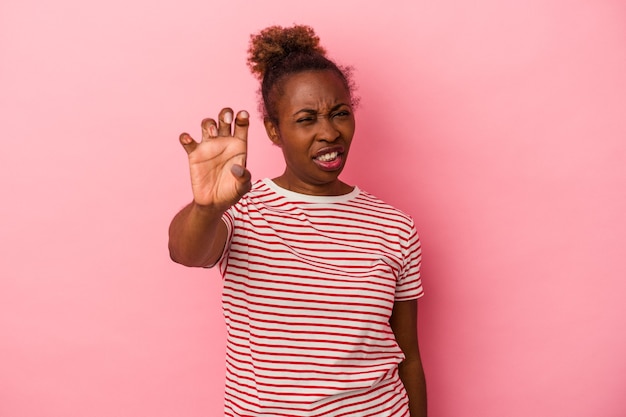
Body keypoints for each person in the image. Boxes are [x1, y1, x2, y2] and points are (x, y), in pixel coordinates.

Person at [168, 24, 427, 417]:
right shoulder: (242, 209)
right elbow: (184, 252)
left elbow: (408, 357)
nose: (329, 132)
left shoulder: (395, 226)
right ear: (274, 130)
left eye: (340, 113)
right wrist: (207, 207)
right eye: (307, 119)